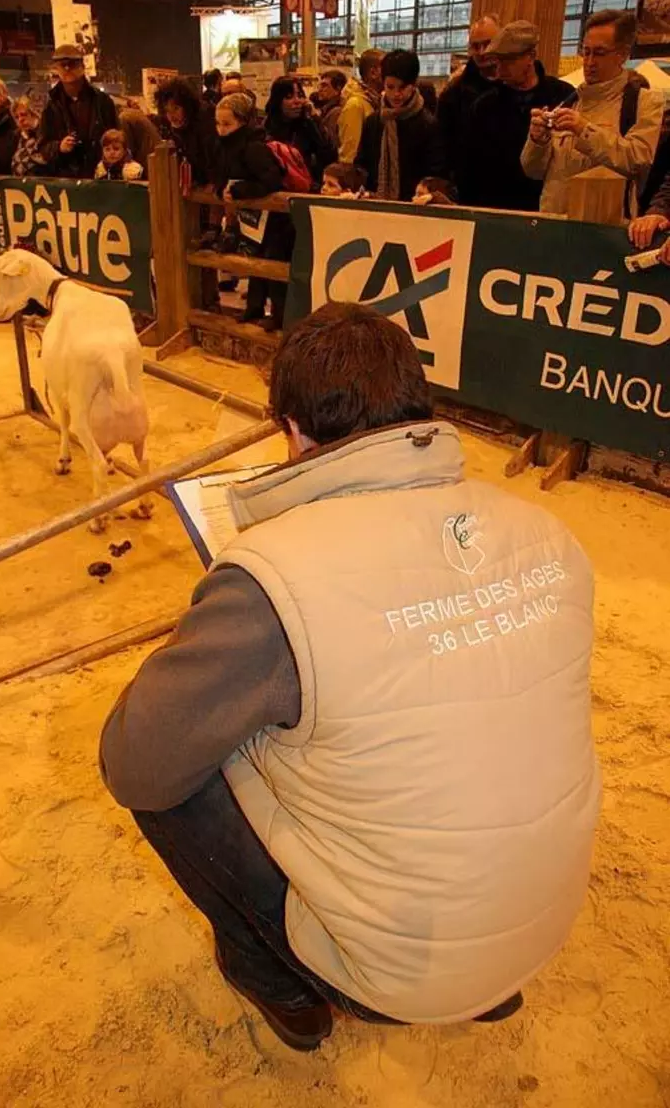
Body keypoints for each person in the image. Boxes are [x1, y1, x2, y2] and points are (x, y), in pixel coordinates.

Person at [100, 301, 600, 1052]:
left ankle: (281, 985)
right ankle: (484, 974)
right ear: (413, 409)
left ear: (293, 433)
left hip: (401, 973)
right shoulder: (545, 533)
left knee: (175, 764)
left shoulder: (274, 576)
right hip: (540, 928)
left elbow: (135, 762)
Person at [522, 10, 664, 218]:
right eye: (585, 52)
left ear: (622, 55)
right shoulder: (569, 102)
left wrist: (584, 130)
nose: (589, 62)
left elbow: (638, 161)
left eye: (599, 53)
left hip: (604, 231)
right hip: (553, 225)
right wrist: (537, 140)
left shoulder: (645, 102)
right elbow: (533, 171)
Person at [459, 21, 574, 211]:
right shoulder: (484, 106)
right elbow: (470, 168)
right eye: (498, 61)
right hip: (494, 210)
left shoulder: (563, 97)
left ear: (531, 57)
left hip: (544, 208)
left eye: (509, 61)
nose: (501, 69)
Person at [211, 93, 284, 326]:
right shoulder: (225, 146)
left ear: (242, 122)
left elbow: (272, 180)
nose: (221, 129)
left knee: (273, 264)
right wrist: (221, 189)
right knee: (256, 263)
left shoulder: (254, 147)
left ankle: (279, 316)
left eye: (227, 124)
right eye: (218, 123)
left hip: (273, 219)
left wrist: (242, 190)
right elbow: (223, 175)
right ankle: (254, 309)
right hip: (251, 218)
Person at [356, 49, 445, 202]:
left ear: (414, 85)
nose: (396, 94)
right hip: (375, 205)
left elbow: (436, 173)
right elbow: (362, 165)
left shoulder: (428, 125)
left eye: (403, 87)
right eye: (390, 87)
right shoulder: (374, 122)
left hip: (414, 207)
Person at [436, 15, 501, 185]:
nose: (481, 52)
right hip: (467, 189)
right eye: (475, 46)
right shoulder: (452, 95)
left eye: (487, 44)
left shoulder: (517, 88)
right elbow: (442, 149)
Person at [38, 44, 118, 178]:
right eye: (62, 65)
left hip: (100, 176)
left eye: (72, 64)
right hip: (65, 179)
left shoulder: (102, 101)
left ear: (82, 66)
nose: (67, 68)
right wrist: (59, 147)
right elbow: (43, 146)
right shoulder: (50, 106)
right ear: (56, 69)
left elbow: (116, 137)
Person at [264, 76, 335, 187]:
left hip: (308, 187)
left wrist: (314, 119)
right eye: (289, 97)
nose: (297, 101)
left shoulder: (307, 124)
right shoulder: (266, 128)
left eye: (300, 96)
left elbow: (328, 154)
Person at [154, 77, 216, 186]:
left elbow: (213, 157)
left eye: (176, 108)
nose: (171, 116)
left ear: (187, 106)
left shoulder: (207, 120)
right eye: (167, 111)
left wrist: (212, 182)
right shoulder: (175, 125)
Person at [338, 49, 384, 163]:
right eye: (388, 68)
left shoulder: (375, 101)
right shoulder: (356, 105)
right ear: (373, 72)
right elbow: (349, 155)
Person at [118, 108, 161, 178]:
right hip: (157, 156)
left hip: (147, 161)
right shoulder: (135, 113)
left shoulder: (123, 118)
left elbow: (128, 149)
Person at [11, 97, 45, 177]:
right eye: (16, 117)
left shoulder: (44, 133)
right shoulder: (16, 137)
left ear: (33, 114)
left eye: (23, 114)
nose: (20, 119)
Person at [315, 69, 347, 150]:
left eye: (325, 85)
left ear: (338, 89)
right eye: (320, 86)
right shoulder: (326, 109)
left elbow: (331, 144)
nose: (320, 89)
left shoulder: (336, 112)